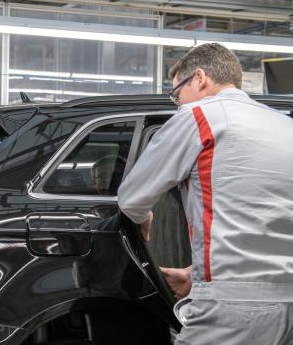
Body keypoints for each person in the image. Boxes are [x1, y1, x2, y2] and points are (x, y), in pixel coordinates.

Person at [117, 43, 293, 344]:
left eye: (176, 93)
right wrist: (196, 275)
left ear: (199, 78)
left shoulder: (200, 116)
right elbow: (264, 217)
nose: (178, 103)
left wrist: (143, 216)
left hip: (233, 306)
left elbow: (132, 197)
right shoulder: (284, 125)